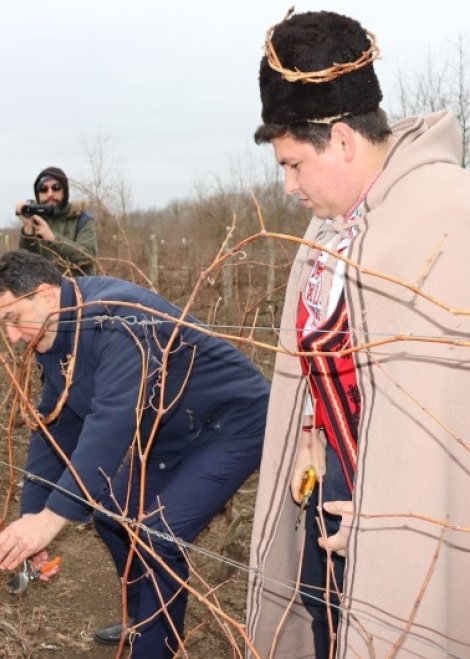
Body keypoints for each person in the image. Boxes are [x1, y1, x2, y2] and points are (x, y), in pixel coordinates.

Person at [245, 10, 470, 657]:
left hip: (418, 511)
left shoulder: (448, 217)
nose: (287, 185)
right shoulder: (330, 229)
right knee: (326, 627)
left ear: (341, 140)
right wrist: (313, 438)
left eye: (292, 164)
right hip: (336, 483)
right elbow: (328, 359)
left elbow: (445, 423)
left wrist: (389, 518)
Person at [0, 250, 268, 657]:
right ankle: (144, 620)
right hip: (169, 430)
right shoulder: (55, 333)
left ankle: (155, 647)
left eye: (12, 320)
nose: (11, 338)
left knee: (157, 536)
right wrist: (33, 514)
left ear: (46, 295)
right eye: (1, 327)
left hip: (233, 423)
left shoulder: (114, 319)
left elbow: (111, 421)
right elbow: (58, 426)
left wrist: (52, 520)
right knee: (110, 514)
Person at [15, 166, 97, 276]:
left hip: (78, 289)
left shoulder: (81, 219)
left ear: (65, 191)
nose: (50, 194)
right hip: (45, 290)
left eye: (56, 187)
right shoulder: (34, 219)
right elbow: (26, 266)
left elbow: (88, 258)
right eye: (43, 189)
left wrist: (53, 238)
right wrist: (28, 233)